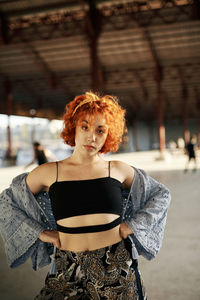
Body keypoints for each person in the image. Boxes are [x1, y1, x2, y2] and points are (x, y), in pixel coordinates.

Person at [0, 91, 171, 300]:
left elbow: (161, 194)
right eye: (85, 127)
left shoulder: (117, 170)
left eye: (101, 130)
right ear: (74, 128)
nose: (92, 137)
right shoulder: (49, 172)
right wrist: (41, 233)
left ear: (109, 134)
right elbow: (6, 202)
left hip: (115, 268)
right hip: (67, 268)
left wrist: (134, 224)